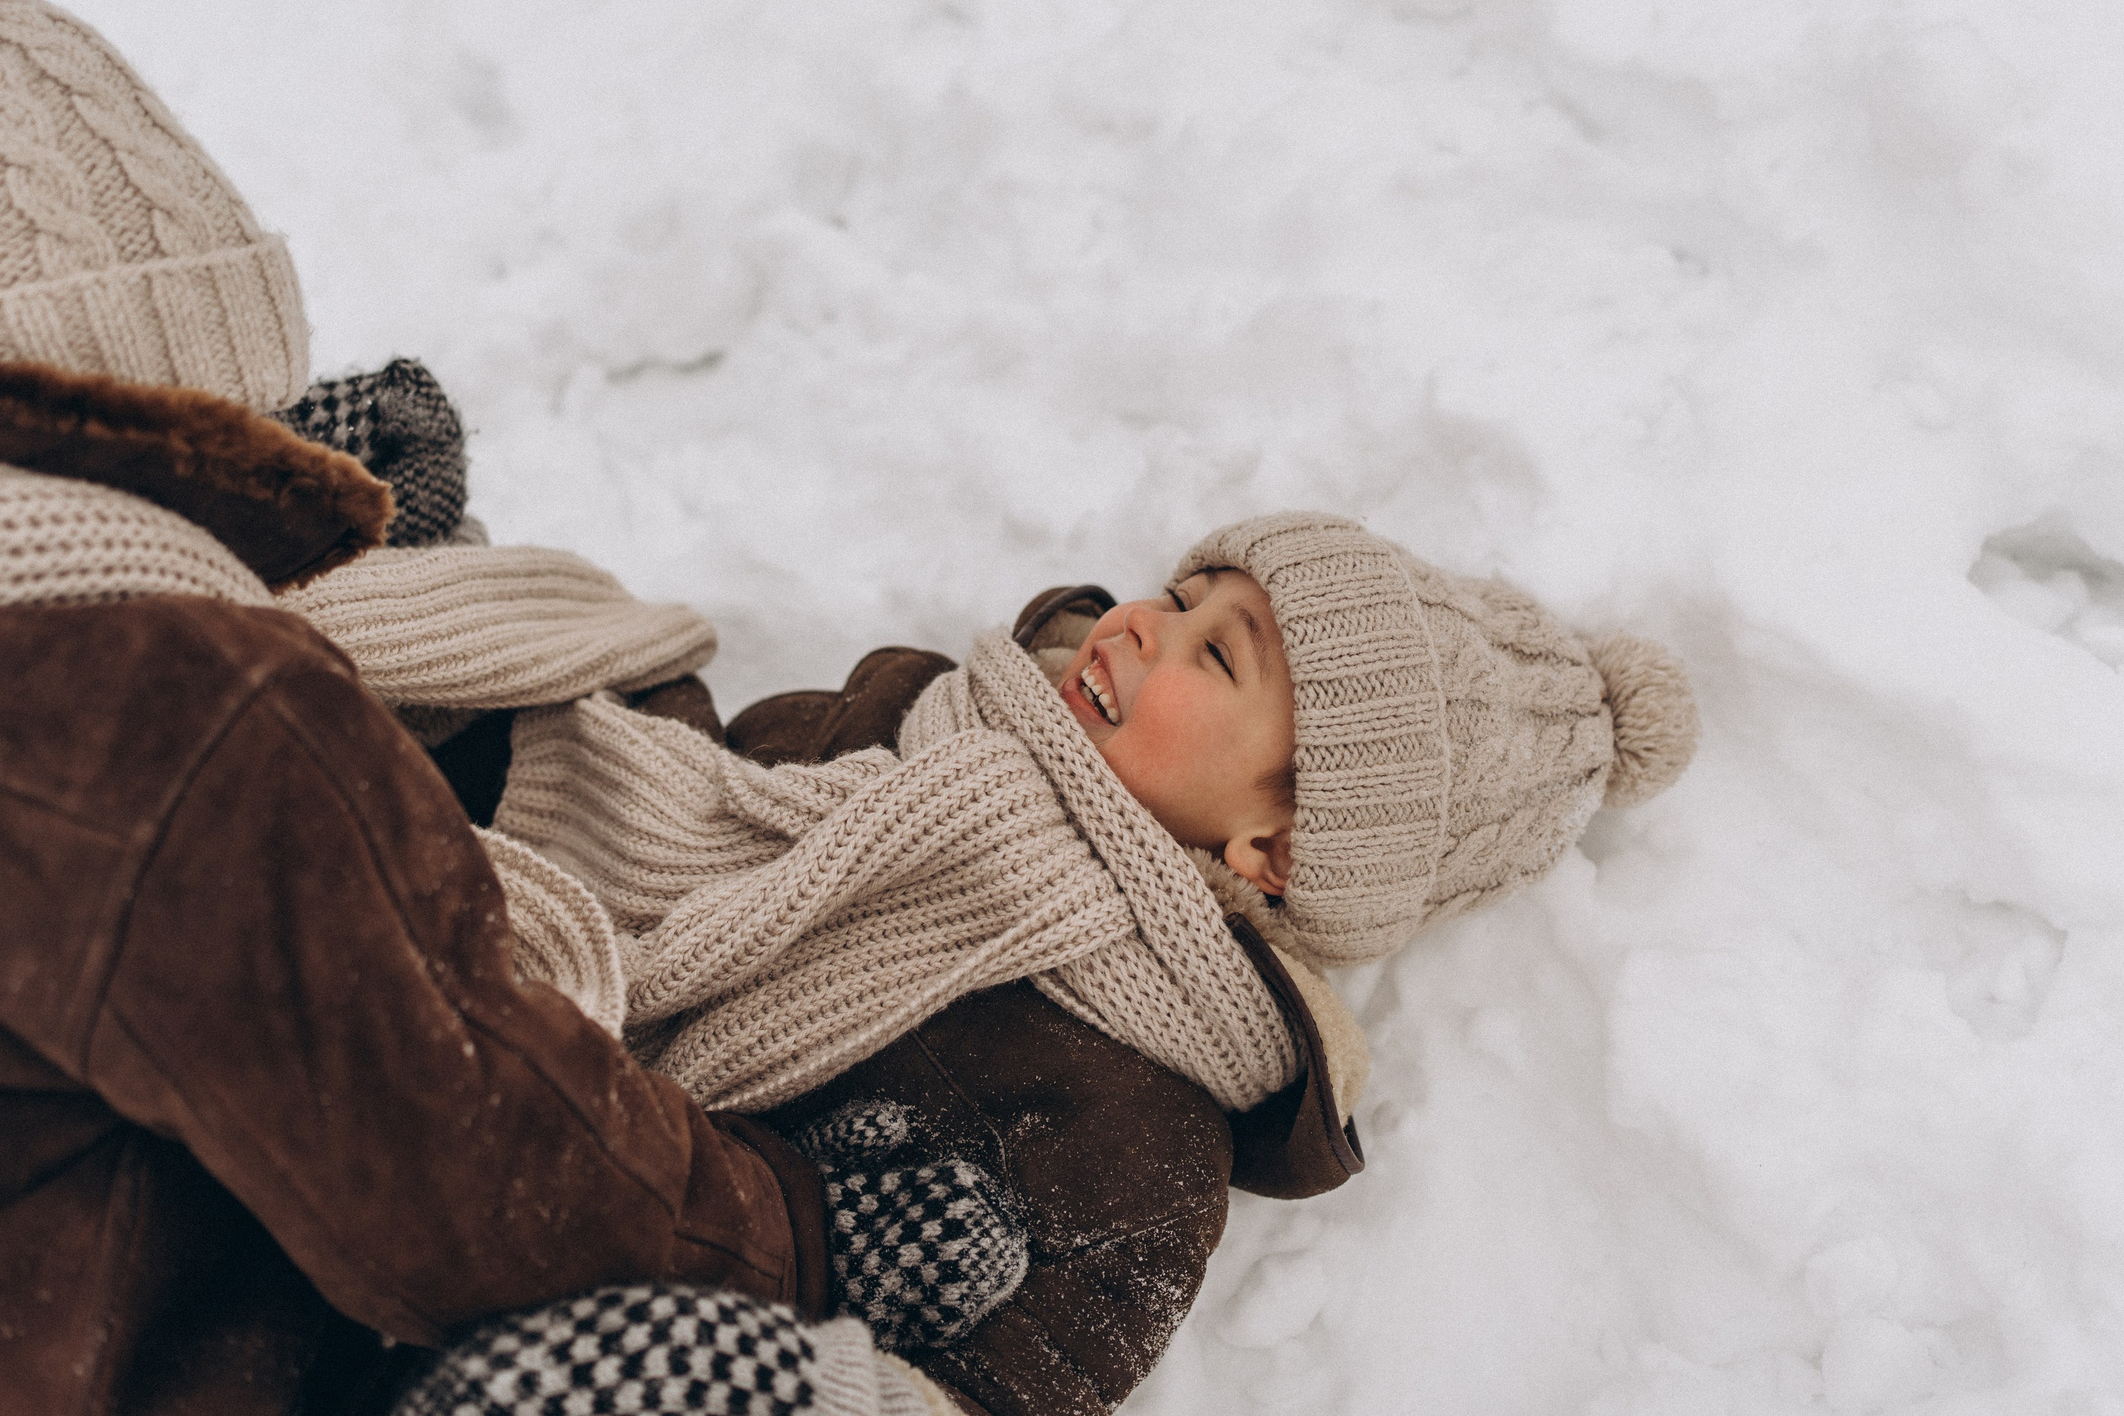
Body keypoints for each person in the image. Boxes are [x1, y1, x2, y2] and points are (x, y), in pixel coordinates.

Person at [0, 0, 1018, 1416]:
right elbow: (462, 1132)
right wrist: (799, 1232)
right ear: (168, 390)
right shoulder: (173, 711)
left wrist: (290, 525)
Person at [414, 499, 1702, 1414]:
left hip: (563, 1258)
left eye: (1216, 652)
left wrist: (843, 1275)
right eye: (1181, 593)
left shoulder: (1138, 1130)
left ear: (1272, 849)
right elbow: (669, 810)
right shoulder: (900, 719)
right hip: (460, 1005)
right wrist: (494, 648)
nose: (1144, 620)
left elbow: (995, 1392)